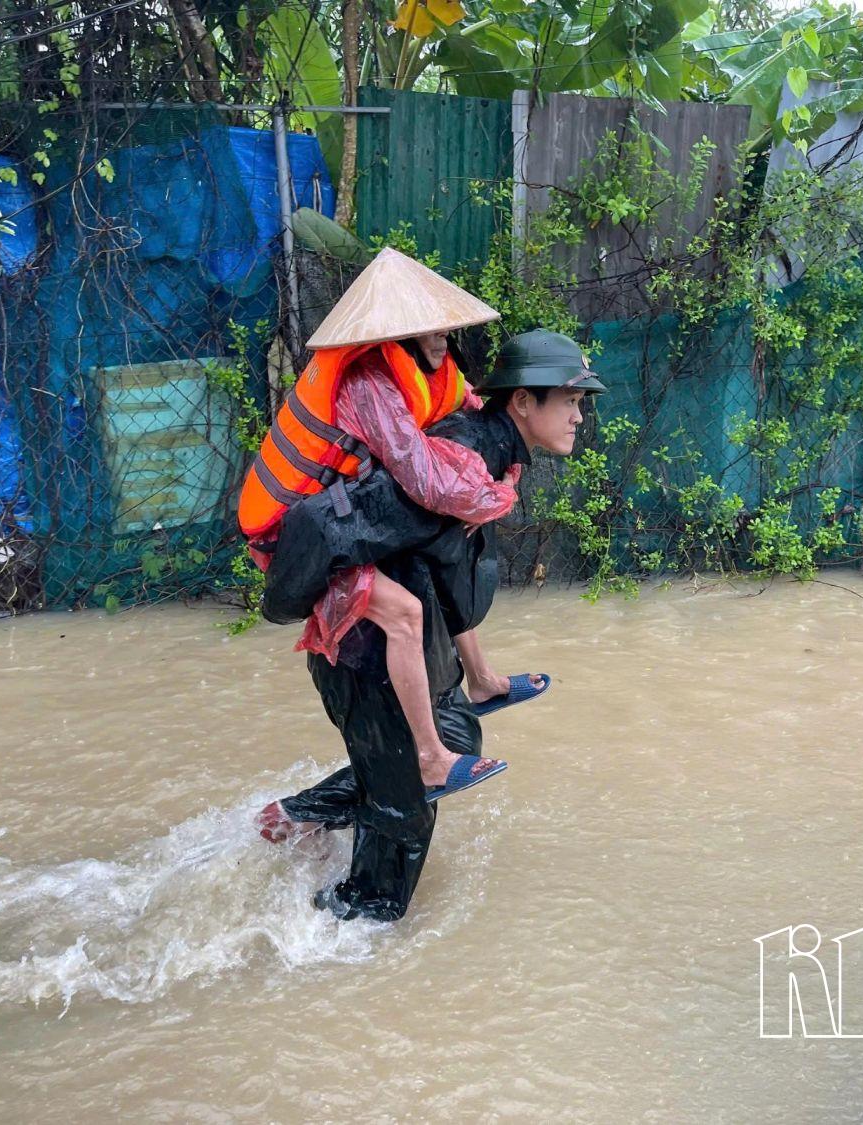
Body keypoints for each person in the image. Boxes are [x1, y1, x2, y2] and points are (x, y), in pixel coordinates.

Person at [254, 329, 606, 922]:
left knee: (460, 731)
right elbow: (359, 527)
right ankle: (337, 933)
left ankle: (302, 813)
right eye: (569, 401)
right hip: (366, 655)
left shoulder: (484, 447)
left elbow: (445, 562)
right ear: (523, 402)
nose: (577, 417)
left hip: (417, 650)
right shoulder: (453, 460)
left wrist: (479, 672)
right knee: (405, 821)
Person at [238, 248, 542, 803]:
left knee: (443, 547)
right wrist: (496, 498)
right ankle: (430, 758)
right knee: (405, 615)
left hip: (354, 516)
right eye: (430, 333)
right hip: (304, 532)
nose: (442, 342)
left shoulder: (430, 370)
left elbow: (477, 414)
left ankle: (481, 679)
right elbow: (425, 479)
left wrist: (504, 471)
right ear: (397, 335)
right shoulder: (368, 383)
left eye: (444, 332)